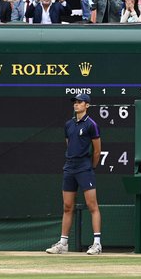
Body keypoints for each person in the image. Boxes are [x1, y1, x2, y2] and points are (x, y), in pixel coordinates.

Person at [46, 93, 103, 255]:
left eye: (80, 102)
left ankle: (97, 244)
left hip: (85, 168)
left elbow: (97, 151)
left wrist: (89, 166)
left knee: (92, 206)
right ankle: (63, 243)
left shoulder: (92, 125)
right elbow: (69, 145)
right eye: (75, 102)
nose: (76, 105)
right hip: (69, 167)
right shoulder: (68, 125)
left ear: (87, 105)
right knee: (67, 206)